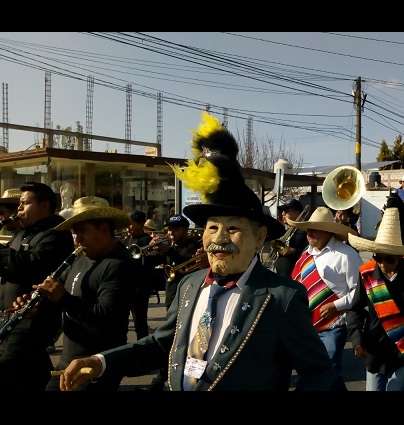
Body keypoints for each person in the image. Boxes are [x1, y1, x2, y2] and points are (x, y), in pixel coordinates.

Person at [56, 112, 342, 391]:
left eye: (232, 229)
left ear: (259, 238)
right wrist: (101, 361)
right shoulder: (189, 285)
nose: (218, 239)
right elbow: (161, 344)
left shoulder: (283, 296)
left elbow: (317, 373)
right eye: (211, 227)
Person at [11, 196, 136, 391]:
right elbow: (59, 295)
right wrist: (36, 305)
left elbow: (106, 317)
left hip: (94, 368)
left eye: (82, 232)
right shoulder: (80, 257)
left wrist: (63, 298)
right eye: (74, 233)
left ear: (103, 228)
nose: (77, 240)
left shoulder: (119, 265)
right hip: (68, 361)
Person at [346, 207, 404, 391]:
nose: (381, 264)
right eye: (377, 258)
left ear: (399, 256)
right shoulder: (366, 273)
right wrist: (356, 339)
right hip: (375, 347)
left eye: (388, 259)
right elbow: (355, 309)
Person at [0, 182, 76, 391]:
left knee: (6, 369)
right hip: (14, 317)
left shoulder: (56, 233)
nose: (19, 208)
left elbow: (31, 266)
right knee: (32, 373)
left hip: (33, 319)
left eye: (25, 203)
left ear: (44, 205)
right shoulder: (21, 234)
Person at [288, 206, 362, 379]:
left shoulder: (346, 255)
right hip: (306, 323)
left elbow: (360, 292)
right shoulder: (305, 255)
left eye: (315, 230)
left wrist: (335, 305)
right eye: (308, 230)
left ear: (328, 231)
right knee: (317, 372)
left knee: (328, 370)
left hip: (333, 325)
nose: (310, 233)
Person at [142, 213, 203, 391]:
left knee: (181, 341)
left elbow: (188, 264)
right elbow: (150, 264)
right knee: (173, 340)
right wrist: (149, 250)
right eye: (169, 229)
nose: (171, 232)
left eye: (175, 229)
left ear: (185, 229)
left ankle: (163, 379)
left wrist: (168, 250)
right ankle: (166, 378)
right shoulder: (171, 247)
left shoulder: (193, 246)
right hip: (172, 299)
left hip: (188, 298)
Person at [119, 210, 154, 340]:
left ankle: (143, 350)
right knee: (121, 322)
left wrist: (150, 251)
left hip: (139, 287)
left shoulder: (148, 240)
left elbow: (150, 263)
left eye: (131, 224)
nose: (128, 227)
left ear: (141, 224)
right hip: (125, 286)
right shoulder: (125, 240)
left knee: (140, 323)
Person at [273, 198, 308, 277]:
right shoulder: (283, 229)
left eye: (286, 211)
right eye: (282, 211)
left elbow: (308, 252)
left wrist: (293, 251)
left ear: (298, 213)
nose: (283, 214)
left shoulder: (304, 231)